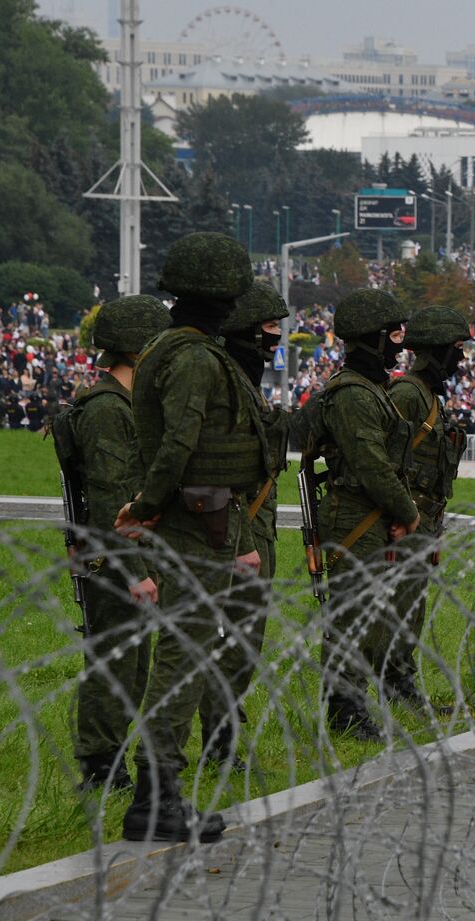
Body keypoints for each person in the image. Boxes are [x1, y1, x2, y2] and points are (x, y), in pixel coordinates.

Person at [114, 232, 267, 843]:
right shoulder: (196, 358)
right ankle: (156, 799)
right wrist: (147, 506)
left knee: (186, 654)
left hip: (203, 518)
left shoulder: (170, 348)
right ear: (225, 297)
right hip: (196, 522)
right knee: (184, 659)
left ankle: (158, 794)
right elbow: (179, 441)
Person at [56, 295, 168, 792]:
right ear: (141, 351)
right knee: (114, 664)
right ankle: (100, 766)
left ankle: (112, 759)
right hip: (113, 557)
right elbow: (109, 501)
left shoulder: (128, 405)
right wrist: (135, 570)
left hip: (127, 551)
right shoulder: (106, 409)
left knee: (133, 664)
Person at [316, 288, 420, 739]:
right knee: (352, 616)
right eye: (395, 334)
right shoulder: (353, 394)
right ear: (374, 339)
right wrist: (407, 510)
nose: (401, 343)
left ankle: (354, 700)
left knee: (372, 617)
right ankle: (344, 708)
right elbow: (371, 464)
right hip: (354, 516)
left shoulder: (373, 390)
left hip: (371, 515)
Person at [197, 281, 290, 769]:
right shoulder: (227, 384)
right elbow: (217, 470)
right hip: (236, 532)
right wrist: (242, 540)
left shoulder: (243, 383)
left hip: (252, 529)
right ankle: (218, 739)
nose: (276, 339)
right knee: (234, 642)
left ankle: (222, 728)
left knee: (243, 642)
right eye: (270, 328)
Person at [386, 305, 471, 706]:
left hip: (424, 518)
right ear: (436, 351)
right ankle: (394, 684)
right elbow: (388, 460)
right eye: (456, 348)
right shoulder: (407, 394)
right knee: (401, 604)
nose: (461, 358)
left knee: (412, 605)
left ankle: (401, 681)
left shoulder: (427, 395)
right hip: (406, 518)